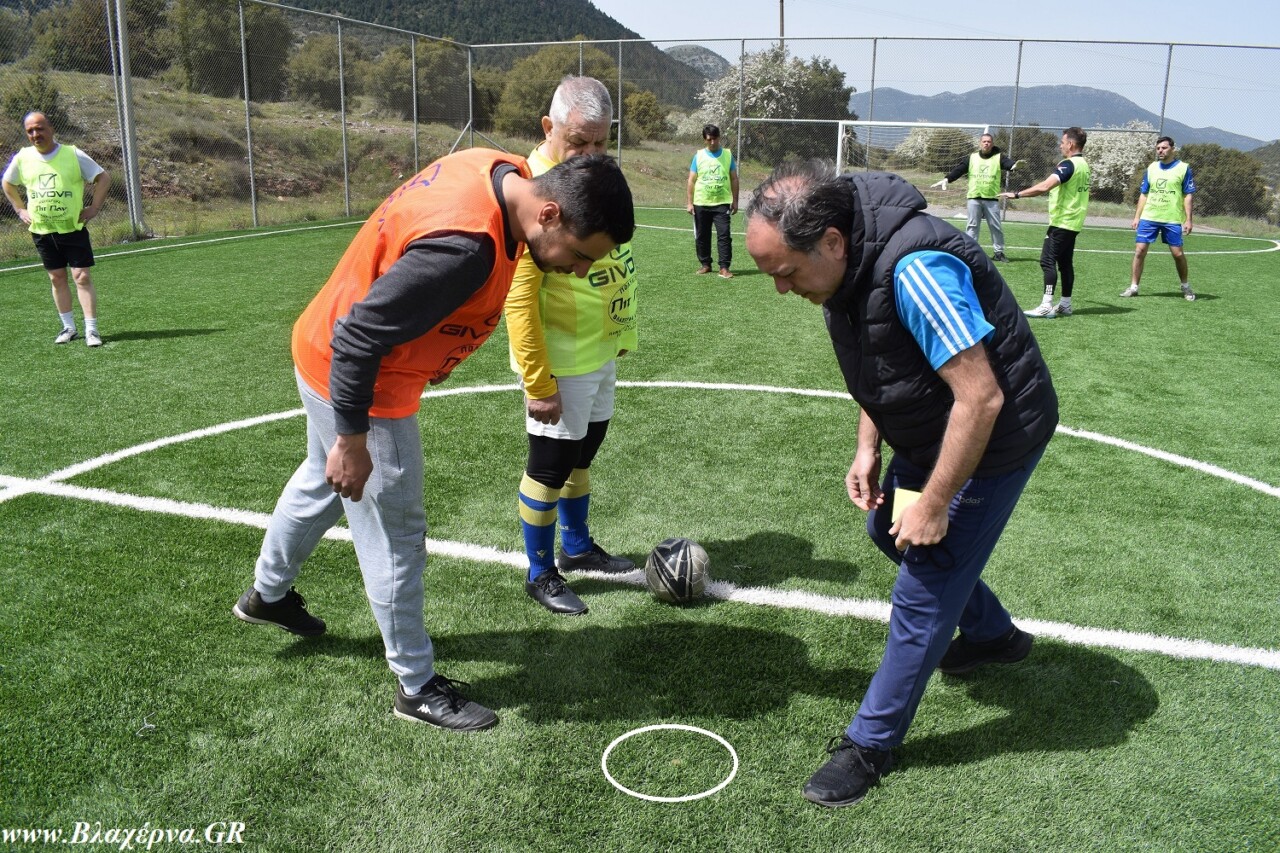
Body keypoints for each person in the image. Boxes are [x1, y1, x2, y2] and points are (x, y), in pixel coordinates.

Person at [232, 148, 634, 732]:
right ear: (549, 214)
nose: (576, 271)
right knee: (396, 535)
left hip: (318, 347)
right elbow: (359, 335)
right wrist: (353, 438)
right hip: (361, 379)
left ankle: (267, 595)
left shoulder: (501, 171)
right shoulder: (466, 247)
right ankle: (416, 687)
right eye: (578, 256)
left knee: (320, 482)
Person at [744, 160, 1058, 808]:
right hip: (932, 428)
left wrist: (937, 503)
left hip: (992, 437)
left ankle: (870, 744)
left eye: (787, 272)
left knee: (926, 580)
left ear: (832, 241)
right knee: (889, 529)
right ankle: (995, 636)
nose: (779, 289)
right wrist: (868, 445)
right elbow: (882, 363)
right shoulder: (847, 265)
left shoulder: (916, 270)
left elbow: (981, 397)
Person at [505, 76, 638, 616]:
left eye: (601, 142)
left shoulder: (595, 179)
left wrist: (621, 331)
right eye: (579, 141)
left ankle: (577, 545)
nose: (591, 154)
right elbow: (519, 300)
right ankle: (540, 572)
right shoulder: (535, 191)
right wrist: (539, 382)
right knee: (550, 465)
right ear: (549, 127)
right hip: (560, 358)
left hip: (598, 350)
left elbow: (616, 262)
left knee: (583, 454)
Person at [3, 111, 111, 347]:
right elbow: (7, 183)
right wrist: (20, 209)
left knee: (81, 276)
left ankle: (91, 330)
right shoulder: (23, 158)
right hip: (42, 231)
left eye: (40, 128)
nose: (35, 134)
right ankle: (69, 328)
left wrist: (94, 208)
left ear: (51, 128)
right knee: (57, 278)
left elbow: (103, 178)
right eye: (30, 131)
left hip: (72, 228)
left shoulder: (72, 154)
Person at [999, 127, 1090, 318]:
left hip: (1062, 221)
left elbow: (1046, 186)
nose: (1060, 145)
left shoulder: (1069, 165)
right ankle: (1065, 304)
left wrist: (1017, 194)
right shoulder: (1084, 165)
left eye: (1062, 142)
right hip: (1074, 222)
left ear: (1070, 144)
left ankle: (1046, 304)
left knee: (1047, 261)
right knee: (1065, 263)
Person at [1122, 136, 1196, 301]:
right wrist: (1137, 217)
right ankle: (1133, 287)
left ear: (1172, 149)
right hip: (1149, 217)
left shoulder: (1183, 168)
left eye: (1164, 148)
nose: (1160, 151)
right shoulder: (1152, 167)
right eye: (1158, 148)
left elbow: (1188, 196)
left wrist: (1188, 219)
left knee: (1178, 254)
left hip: (1172, 218)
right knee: (1139, 251)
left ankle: (1185, 286)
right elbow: (1144, 194)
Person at [930, 132, 1019, 261]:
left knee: (996, 227)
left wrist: (1014, 166)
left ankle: (999, 253)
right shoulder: (972, 158)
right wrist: (947, 179)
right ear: (980, 143)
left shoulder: (998, 157)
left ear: (992, 144)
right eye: (984, 141)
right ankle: (970, 253)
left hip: (992, 199)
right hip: (974, 198)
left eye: (989, 141)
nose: (986, 143)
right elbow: (959, 169)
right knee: (972, 227)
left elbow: (1009, 164)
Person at [686, 124, 739, 279]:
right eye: (709, 139)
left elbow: (734, 179)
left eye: (715, 139)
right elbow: (691, 180)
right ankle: (705, 264)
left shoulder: (728, 155)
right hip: (701, 202)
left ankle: (724, 267)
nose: (713, 142)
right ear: (705, 140)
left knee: (724, 235)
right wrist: (689, 202)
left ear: (719, 138)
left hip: (722, 203)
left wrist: (735, 201)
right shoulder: (698, 156)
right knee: (702, 235)